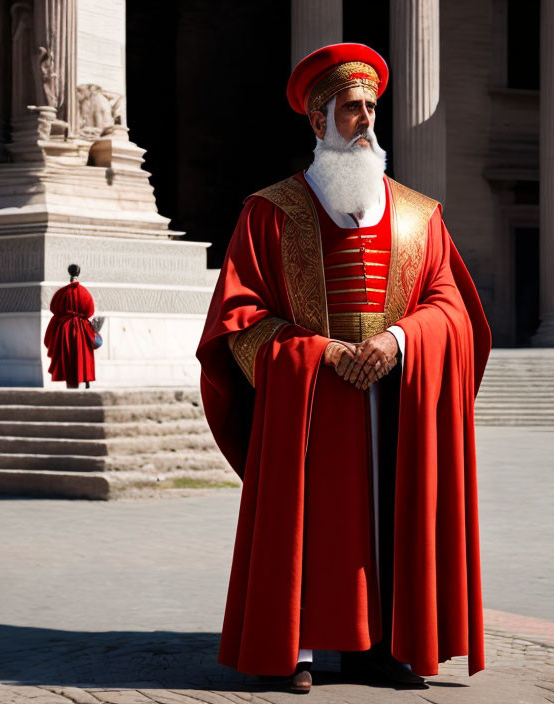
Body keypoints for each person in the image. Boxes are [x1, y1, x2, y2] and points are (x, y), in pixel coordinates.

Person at [196, 43, 490, 693]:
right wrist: (319, 353)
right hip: (309, 404)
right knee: (309, 521)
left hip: (394, 402)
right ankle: (294, 651)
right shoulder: (269, 212)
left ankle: (379, 648)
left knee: (389, 519)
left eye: (371, 108)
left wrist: (400, 341)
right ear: (318, 121)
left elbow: (453, 309)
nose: (366, 121)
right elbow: (238, 321)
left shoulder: (420, 216)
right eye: (352, 109)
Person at [44, 264, 97, 389]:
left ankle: (71, 384)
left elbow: (54, 308)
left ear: (69, 273)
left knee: (67, 358)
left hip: (65, 329)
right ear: (79, 273)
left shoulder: (62, 292)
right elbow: (90, 311)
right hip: (82, 329)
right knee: (81, 355)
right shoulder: (85, 292)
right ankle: (84, 378)